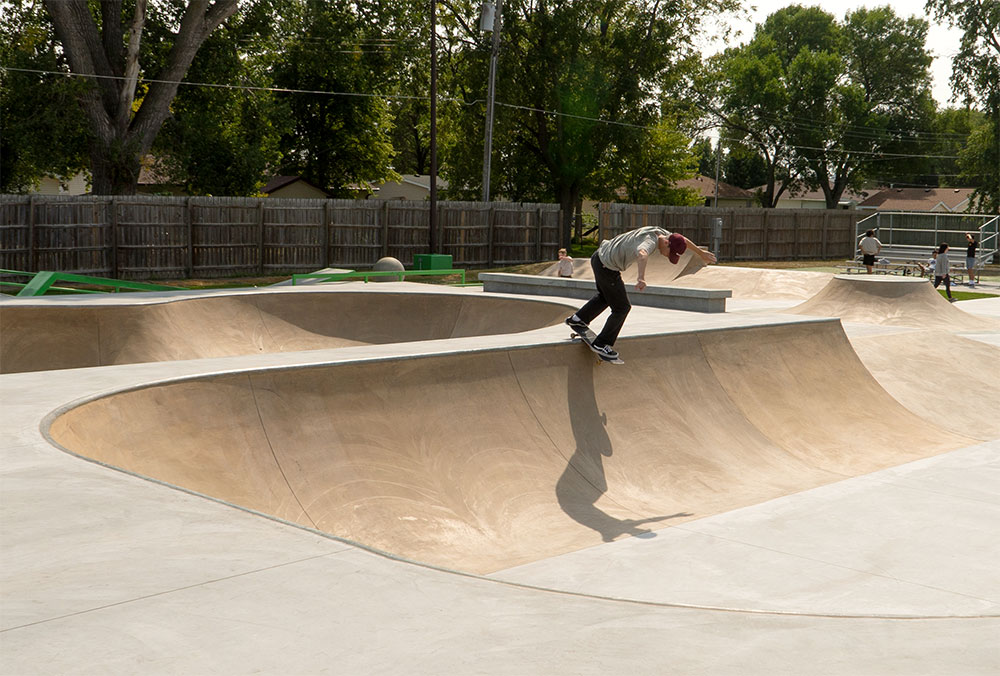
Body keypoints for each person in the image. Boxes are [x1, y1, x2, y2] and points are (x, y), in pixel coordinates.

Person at [564, 226, 717, 359]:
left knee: (607, 296)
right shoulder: (649, 243)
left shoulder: (661, 233)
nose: (666, 256)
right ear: (666, 243)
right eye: (669, 253)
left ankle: (578, 319)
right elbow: (642, 254)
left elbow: (682, 239)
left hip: (599, 257)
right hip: (607, 267)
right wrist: (641, 278)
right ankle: (602, 343)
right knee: (622, 308)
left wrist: (700, 253)